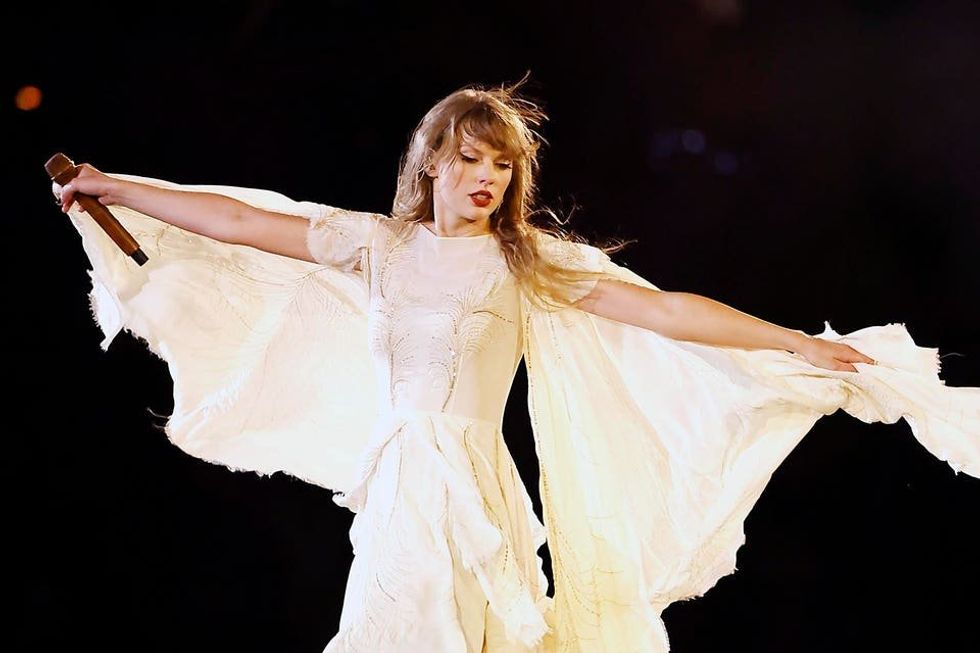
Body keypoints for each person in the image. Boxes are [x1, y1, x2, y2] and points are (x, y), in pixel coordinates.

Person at [52, 77, 979, 653]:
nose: (487, 177)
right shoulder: (376, 244)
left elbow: (664, 310)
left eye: (500, 163)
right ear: (432, 164)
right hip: (403, 476)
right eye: (469, 159)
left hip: (476, 482)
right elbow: (239, 220)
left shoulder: (526, 262)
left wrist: (797, 341)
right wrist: (111, 187)